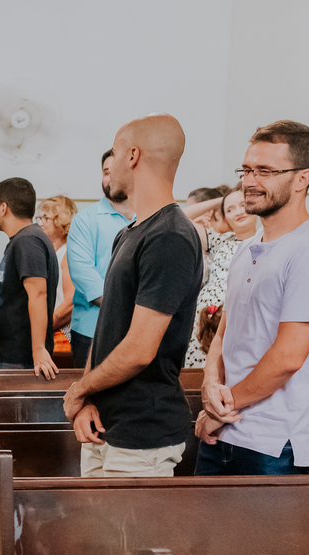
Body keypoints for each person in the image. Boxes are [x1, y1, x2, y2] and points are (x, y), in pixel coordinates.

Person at [196, 120, 309, 475]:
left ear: (302, 178)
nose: (250, 181)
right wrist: (209, 383)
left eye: (265, 171)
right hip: (224, 431)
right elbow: (225, 332)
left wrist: (222, 409)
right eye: (247, 169)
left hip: (275, 442)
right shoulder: (246, 249)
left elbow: (288, 357)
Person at [61, 113, 203, 478]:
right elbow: (109, 328)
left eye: (116, 151)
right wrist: (89, 398)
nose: (110, 167)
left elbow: (140, 349)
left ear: (133, 156)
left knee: (129, 538)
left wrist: (79, 388)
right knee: (94, 534)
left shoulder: (169, 236)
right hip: (104, 422)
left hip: (144, 430)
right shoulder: (131, 232)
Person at [67, 149, 136, 367]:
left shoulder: (149, 218)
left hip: (140, 332)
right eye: (106, 172)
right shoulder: (85, 220)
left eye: (116, 171)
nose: (111, 177)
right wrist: (133, 311)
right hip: (91, 331)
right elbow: (85, 275)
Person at [0, 177, 59, 376]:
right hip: (10, 356)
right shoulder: (23, 239)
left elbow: (38, 293)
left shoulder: (28, 241)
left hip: (20, 360)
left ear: (3, 208)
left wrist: (39, 350)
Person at [184, 184, 259, 366]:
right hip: (205, 322)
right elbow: (182, 217)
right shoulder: (219, 240)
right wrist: (221, 199)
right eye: (230, 209)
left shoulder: (267, 242)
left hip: (243, 322)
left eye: (243, 205)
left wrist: (230, 199)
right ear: (225, 217)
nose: (238, 212)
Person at [38, 195, 78, 340]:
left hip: (63, 331)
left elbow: (70, 302)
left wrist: (42, 327)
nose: (41, 223)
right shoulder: (50, 254)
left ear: (60, 220)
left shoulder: (68, 254)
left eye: (45, 218)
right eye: (39, 218)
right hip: (50, 328)